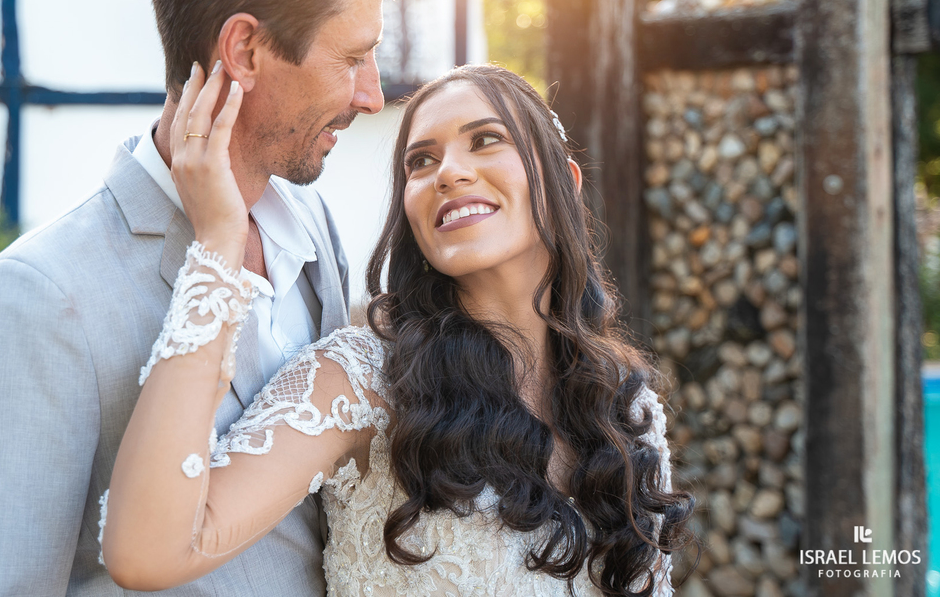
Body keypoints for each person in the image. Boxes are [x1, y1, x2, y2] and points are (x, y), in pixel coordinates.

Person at [0, 0, 415, 596]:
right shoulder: (39, 300)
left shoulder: (313, 229)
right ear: (245, 50)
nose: (373, 95)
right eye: (353, 58)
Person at [100, 63, 696, 596]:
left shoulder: (626, 406)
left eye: (485, 140)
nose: (448, 173)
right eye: (421, 161)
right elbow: (147, 551)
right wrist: (218, 246)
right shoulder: (359, 382)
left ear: (565, 181)